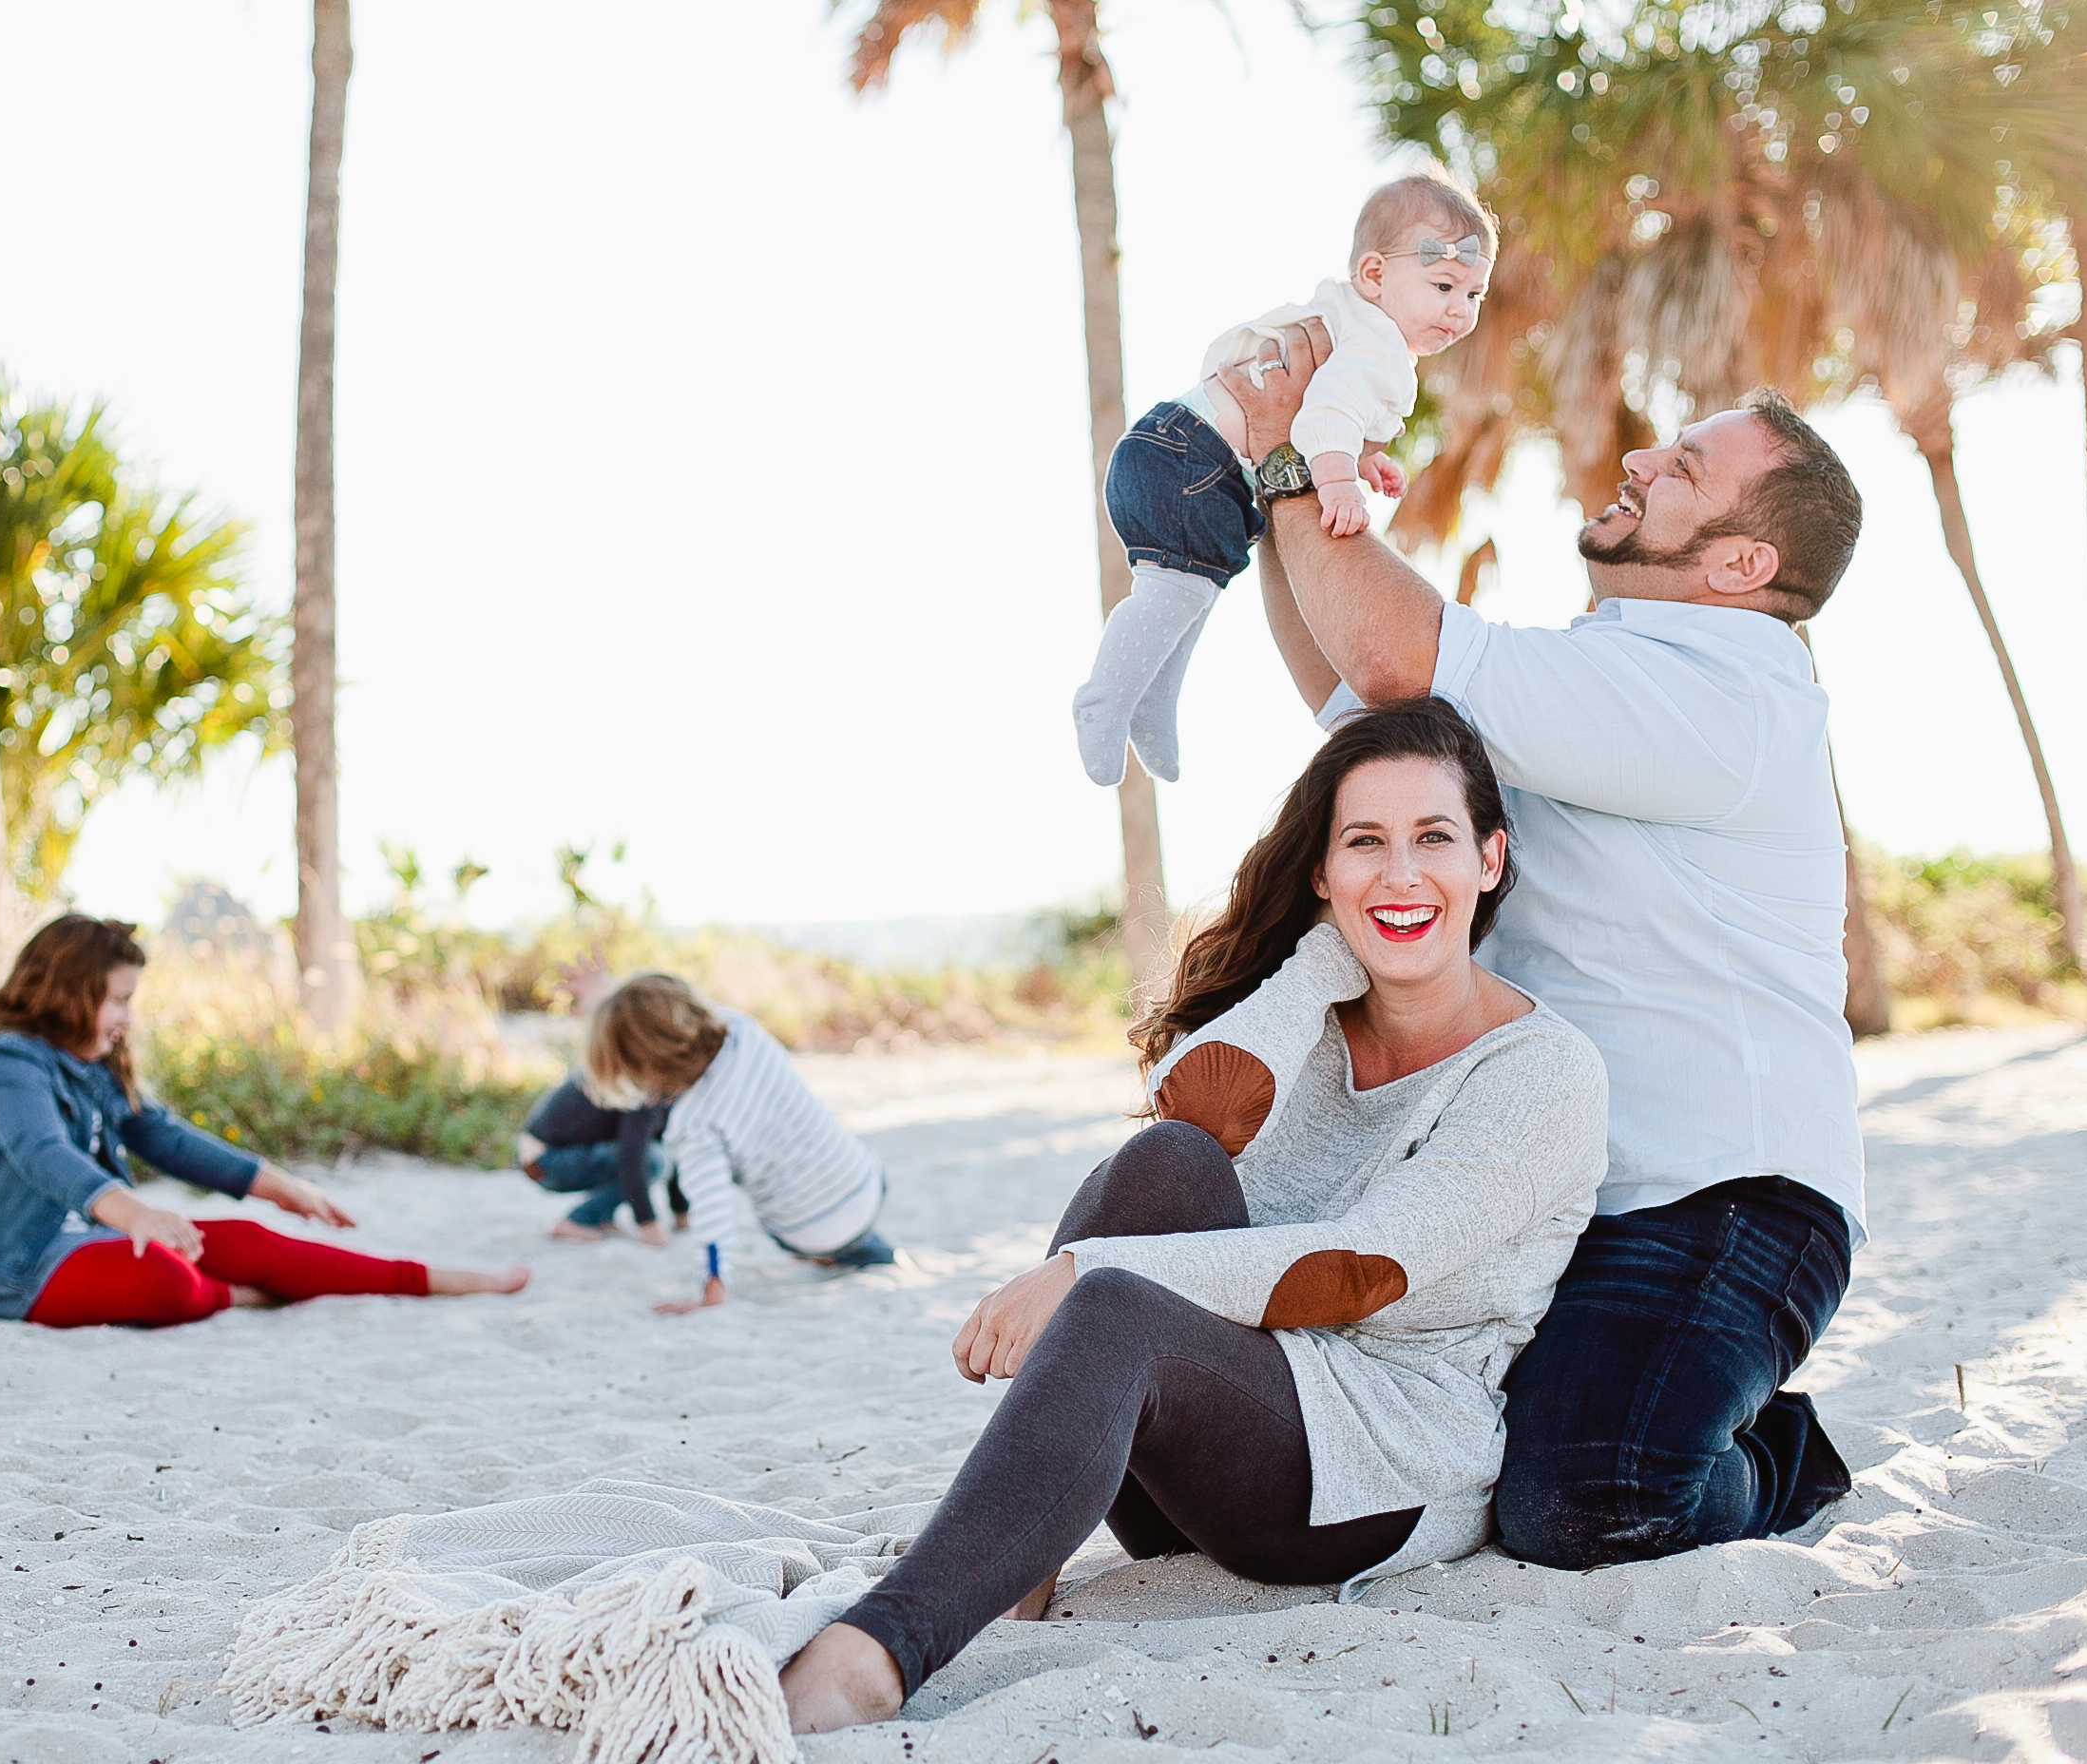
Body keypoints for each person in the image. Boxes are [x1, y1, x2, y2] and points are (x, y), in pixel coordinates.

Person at [779, 700, 1609, 1731]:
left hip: (1372, 1466)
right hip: (1207, 1439)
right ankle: (1013, 1554)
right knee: (1166, 1163)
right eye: (1364, 845)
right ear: (1321, 871)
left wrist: (1083, 1270)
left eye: (1433, 839)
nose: (1400, 875)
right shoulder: (1310, 1011)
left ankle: (872, 1655)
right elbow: (1186, 1117)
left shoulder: (1544, 1073)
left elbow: (1362, 1267)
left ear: (1489, 858)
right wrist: (1318, 965)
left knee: (1120, 1295)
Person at [1218, 343, 1867, 1570]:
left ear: (1743, 564)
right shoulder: (1611, 672)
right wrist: (1273, 481)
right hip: (1572, 1191)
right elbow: (1359, 698)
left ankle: (1783, 1457)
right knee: (1468, 1447)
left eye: (1683, 467)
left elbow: (1393, 655)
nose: (1638, 459)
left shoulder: (1736, 692)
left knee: (1593, 1495)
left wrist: (1307, 465)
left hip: (1732, 1198)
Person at [1072, 166, 1494, 788]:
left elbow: (1323, 411)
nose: (1459, 312)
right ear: (1374, 275)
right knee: (1175, 595)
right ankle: (1105, 699)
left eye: (1474, 295)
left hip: (1174, 449)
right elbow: (1324, 417)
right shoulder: (1380, 350)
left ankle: (1148, 704)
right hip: (1197, 461)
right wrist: (1339, 485)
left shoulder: (1349, 319)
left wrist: (1357, 458)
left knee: (1189, 596)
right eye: (1443, 286)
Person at [0, 914, 528, 1327]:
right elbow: (43, 1153)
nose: (125, 1018)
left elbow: (161, 1135)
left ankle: (435, 1279)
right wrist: (139, 1215)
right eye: (118, 1000)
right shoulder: (1, 1062)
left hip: (75, 1240)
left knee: (249, 1241)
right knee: (165, 1278)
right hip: (0, 1267)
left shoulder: (88, 1066)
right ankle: (245, 1297)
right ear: (69, 993)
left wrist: (279, 1185)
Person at [581, 972, 896, 1315]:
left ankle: (845, 1252)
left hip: (809, 1229)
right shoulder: (742, 1029)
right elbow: (663, 1016)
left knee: (806, 1220)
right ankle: (856, 1248)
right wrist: (613, 994)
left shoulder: (694, 1126)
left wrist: (712, 1289)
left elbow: (712, 1214)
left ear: (645, 1066)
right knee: (833, 1204)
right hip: (865, 1179)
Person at [516, 1072, 688, 1243]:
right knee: (655, 1160)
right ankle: (576, 1220)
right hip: (544, 1161)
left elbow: (666, 1143)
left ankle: (601, 1218)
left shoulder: (645, 1076)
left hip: (542, 1159)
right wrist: (647, 1224)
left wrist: (681, 1212)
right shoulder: (644, 1085)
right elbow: (631, 1158)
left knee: (656, 1154)